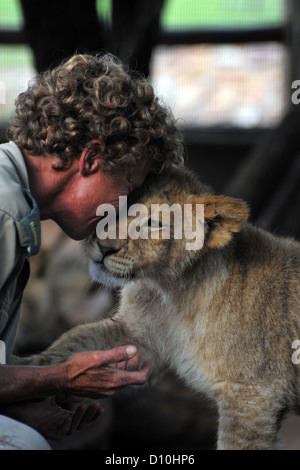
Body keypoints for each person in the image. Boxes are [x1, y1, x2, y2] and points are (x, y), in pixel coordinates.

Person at [0, 53, 184, 449]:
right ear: (92, 157)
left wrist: (20, 407)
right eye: (127, 187)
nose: (120, 210)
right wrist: (62, 377)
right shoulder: (4, 211)